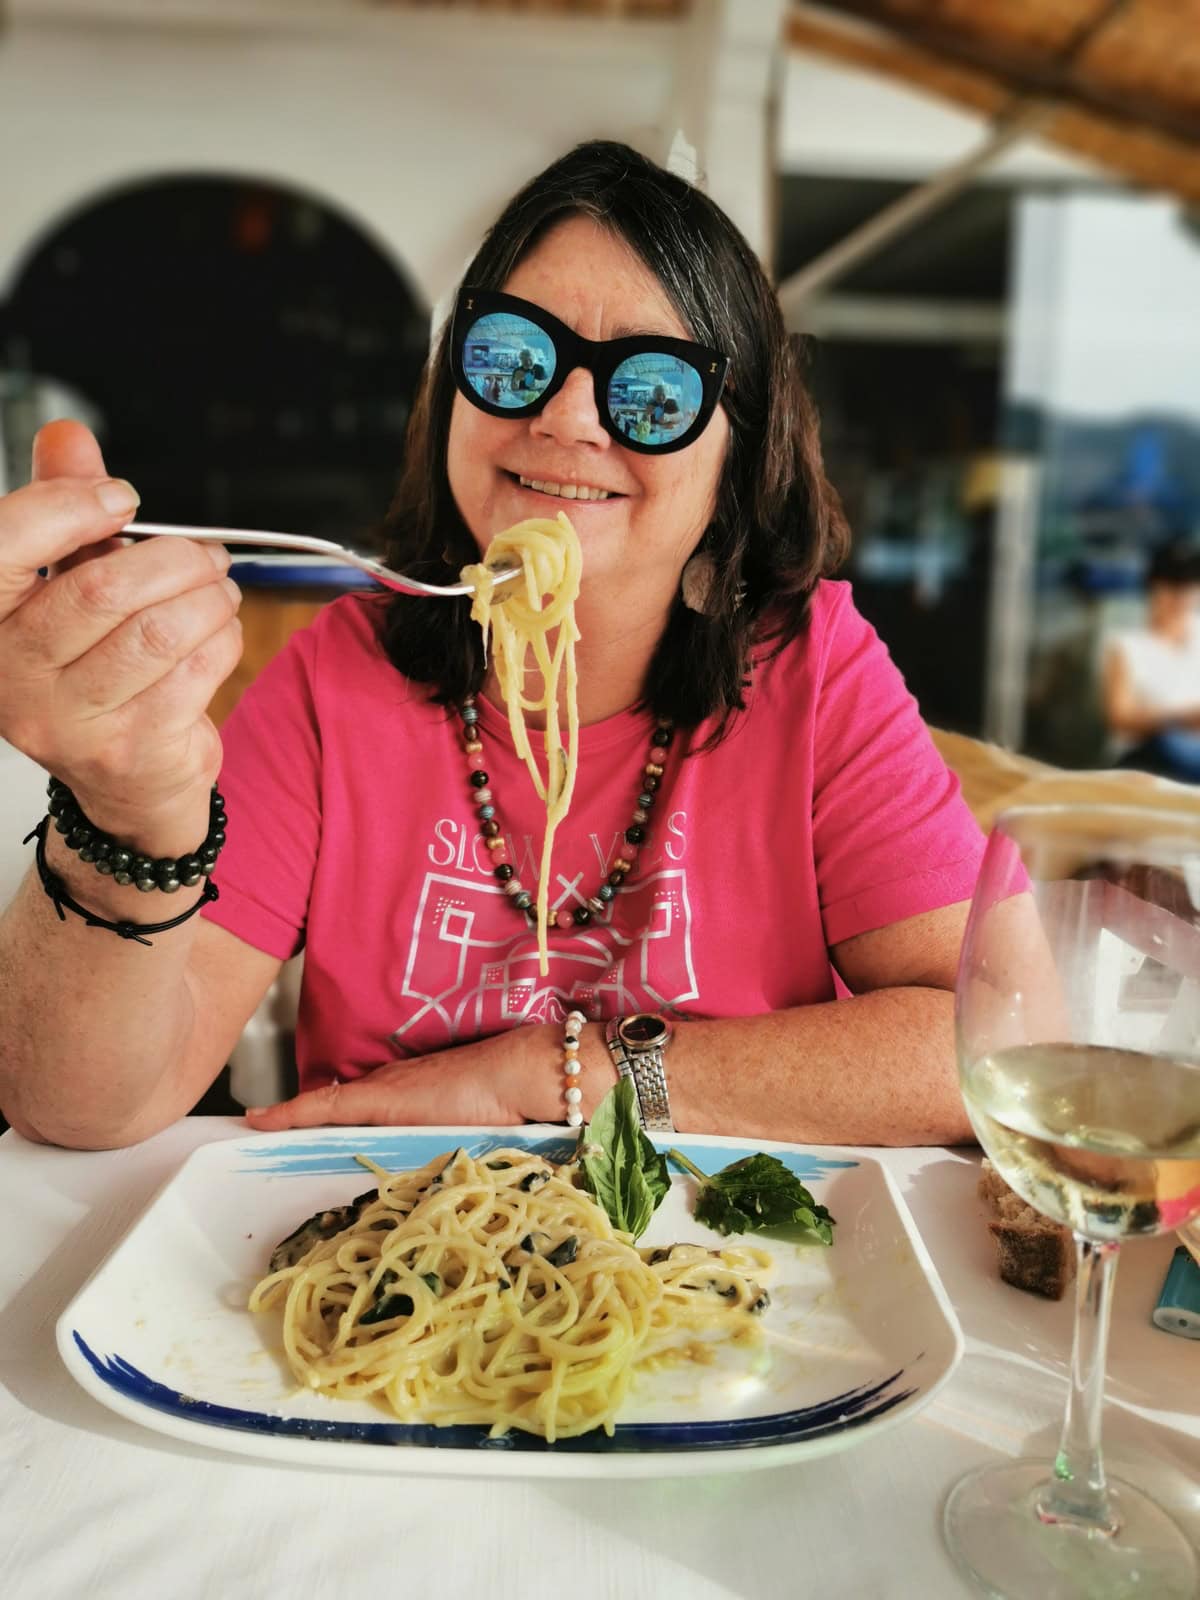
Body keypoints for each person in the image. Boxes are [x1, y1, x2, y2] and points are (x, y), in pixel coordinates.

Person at [0, 141, 985, 1152]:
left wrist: (551, 1073)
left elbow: (989, 1041)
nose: (564, 418)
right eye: (515, 355)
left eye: (654, 389)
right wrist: (120, 811)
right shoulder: (337, 679)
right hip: (388, 1268)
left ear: (740, 449)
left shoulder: (812, 671)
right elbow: (79, 1105)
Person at [1103, 541, 1200, 784]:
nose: (1181, 597)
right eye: (1172, 586)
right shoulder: (1128, 645)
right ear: (1153, 588)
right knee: (1170, 745)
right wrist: (1182, 719)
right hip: (1150, 754)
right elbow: (1120, 717)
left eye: (1188, 587)